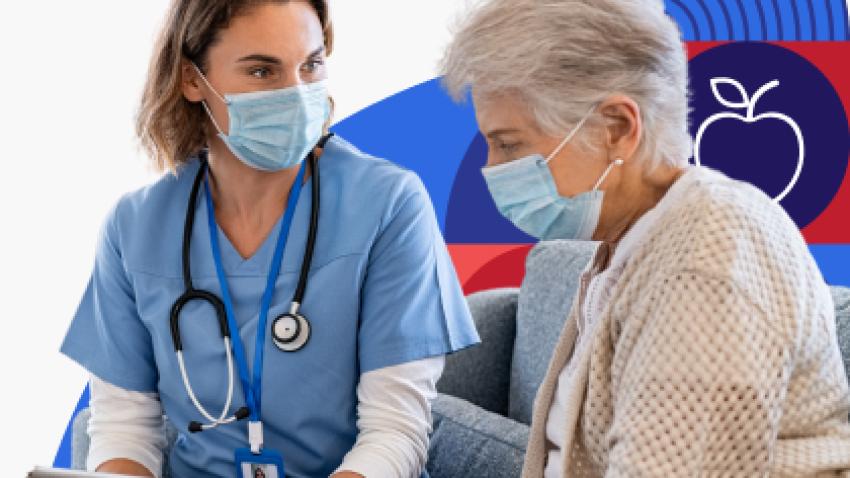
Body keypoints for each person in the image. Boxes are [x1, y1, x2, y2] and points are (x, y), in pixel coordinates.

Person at [60, 1, 479, 477]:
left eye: (311, 65)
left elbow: (396, 431)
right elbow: (124, 427)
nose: (297, 92)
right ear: (192, 80)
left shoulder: (388, 204)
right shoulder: (135, 226)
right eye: (262, 70)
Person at [440, 0, 850, 476]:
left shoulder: (704, 257)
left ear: (618, 127)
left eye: (510, 144)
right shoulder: (635, 237)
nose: (492, 168)